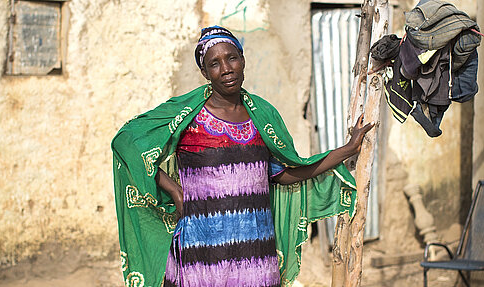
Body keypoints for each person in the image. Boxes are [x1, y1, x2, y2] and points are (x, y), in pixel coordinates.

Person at [112, 26, 373, 287]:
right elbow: (127, 143)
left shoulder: (262, 115)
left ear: (243, 59)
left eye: (232, 58)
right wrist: (174, 191)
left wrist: (347, 150)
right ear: (204, 72)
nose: (226, 68)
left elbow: (285, 173)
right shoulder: (188, 116)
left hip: (256, 258)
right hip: (201, 257)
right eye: (214, 63)